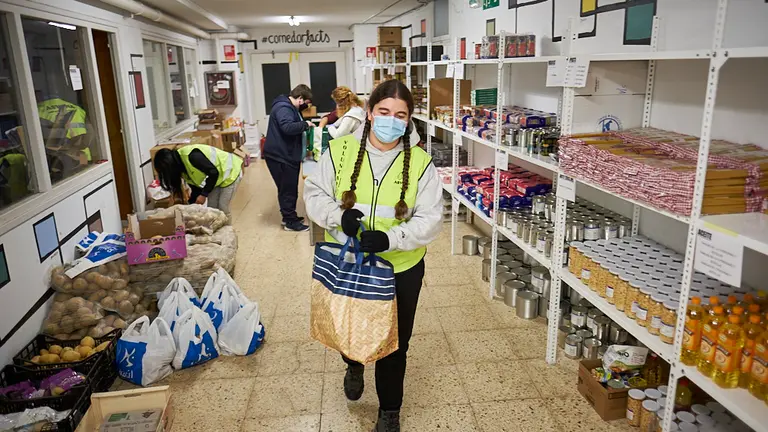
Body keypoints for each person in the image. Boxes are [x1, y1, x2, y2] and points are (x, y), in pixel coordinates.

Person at [304, 80, 442, 432]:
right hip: (350, 263)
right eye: (384, 112)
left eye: (400, 115)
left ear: (409, 120)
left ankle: (389, 410)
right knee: (349, 326)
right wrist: (338, 217)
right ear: (369, 113)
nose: (391, 120)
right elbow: (314, 193)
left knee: (395, 342)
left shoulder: (421, 163)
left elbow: (430, 219)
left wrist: (392, 238)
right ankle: (353, 365)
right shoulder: (340, 151)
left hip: (400, 268)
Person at [263, 84, 314, 231]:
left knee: (287, 188)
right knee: (288, 189)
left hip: (285, 153)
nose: (305, 106)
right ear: (300, 98)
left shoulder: (287, 106)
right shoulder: (284, 108)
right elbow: (287, 127)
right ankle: (290, 222)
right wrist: (305, 124)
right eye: (304, 103)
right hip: (281, 156)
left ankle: (289, 216)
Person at [153, 144, 243, 217]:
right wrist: (190, 206)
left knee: (223, 207)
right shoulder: (181, 168)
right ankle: (217, 231)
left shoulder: (192, 156)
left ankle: (227, 232)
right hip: (217, 178)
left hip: (230, 171)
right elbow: (196, 188)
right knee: (213, 210)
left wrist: (204, 195)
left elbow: (213, 172)